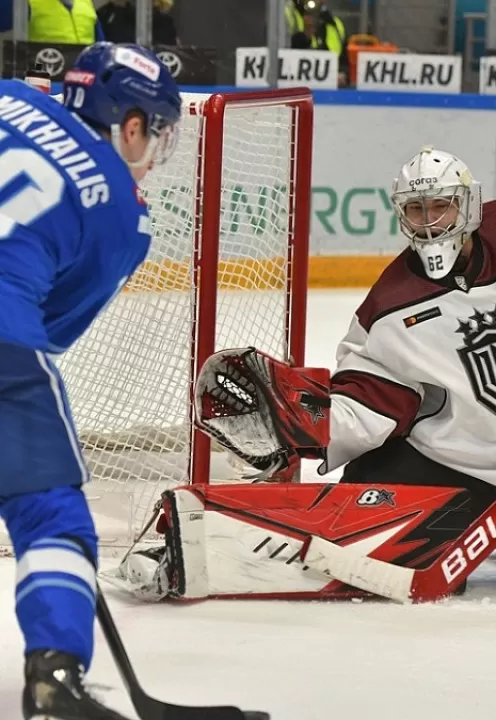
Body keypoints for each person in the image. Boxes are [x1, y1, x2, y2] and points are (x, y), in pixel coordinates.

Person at [115, 146, 496, 602]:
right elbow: (370, 402)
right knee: (356, 515)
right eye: (416, 209)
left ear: (469, 204)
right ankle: (211, 534)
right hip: (448, 465)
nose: (430, 222)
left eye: (442, 206)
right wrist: (307, 422)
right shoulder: (386, 310)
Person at [0, 42, 181, 720]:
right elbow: (49, 327)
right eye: (156, 131)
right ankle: (54, 680)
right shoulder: (122, 215)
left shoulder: (8, 96)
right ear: (129, 125)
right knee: (49, 511)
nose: (154, 148)